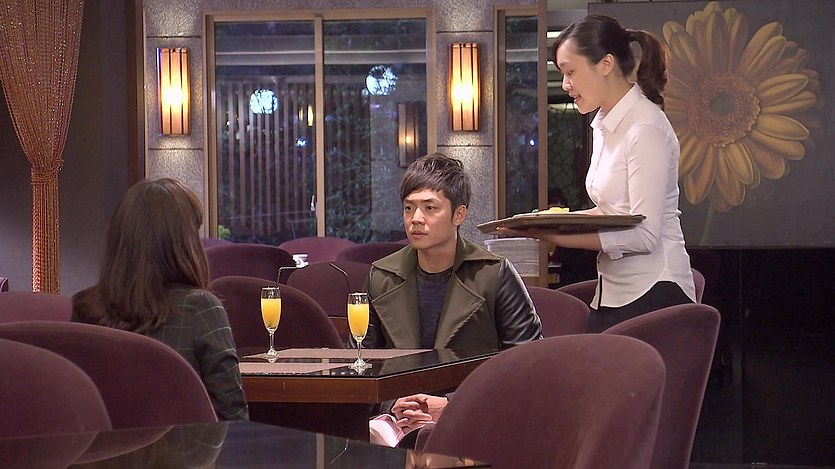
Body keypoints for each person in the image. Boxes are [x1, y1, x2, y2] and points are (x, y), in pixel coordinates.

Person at [500, 14, 695, 333]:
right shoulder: (605, 124)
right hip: (614, 293)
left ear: (606, 64)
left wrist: (555, 236)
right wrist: (545, 222)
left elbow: (645, 235)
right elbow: (611, 212)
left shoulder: (645, 127)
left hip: (655, 293)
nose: (566, 85)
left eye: (570, 72)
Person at [361, 153, 542, 442]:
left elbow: (528, 369)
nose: (416, 219)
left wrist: (451, 404)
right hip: (400, 423)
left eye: (430, 208)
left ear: (459, 215)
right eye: (409, 208)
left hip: (474, 423)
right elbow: (362, 366)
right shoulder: (382, 276)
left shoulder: (493, 274)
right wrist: (391, 403)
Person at [72, 178, 248, 421]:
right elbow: (234, 416)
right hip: (189, 446)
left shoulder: (84, 306)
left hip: (105, 446)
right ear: (184, 242)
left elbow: (77, 408)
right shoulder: (201, 309)